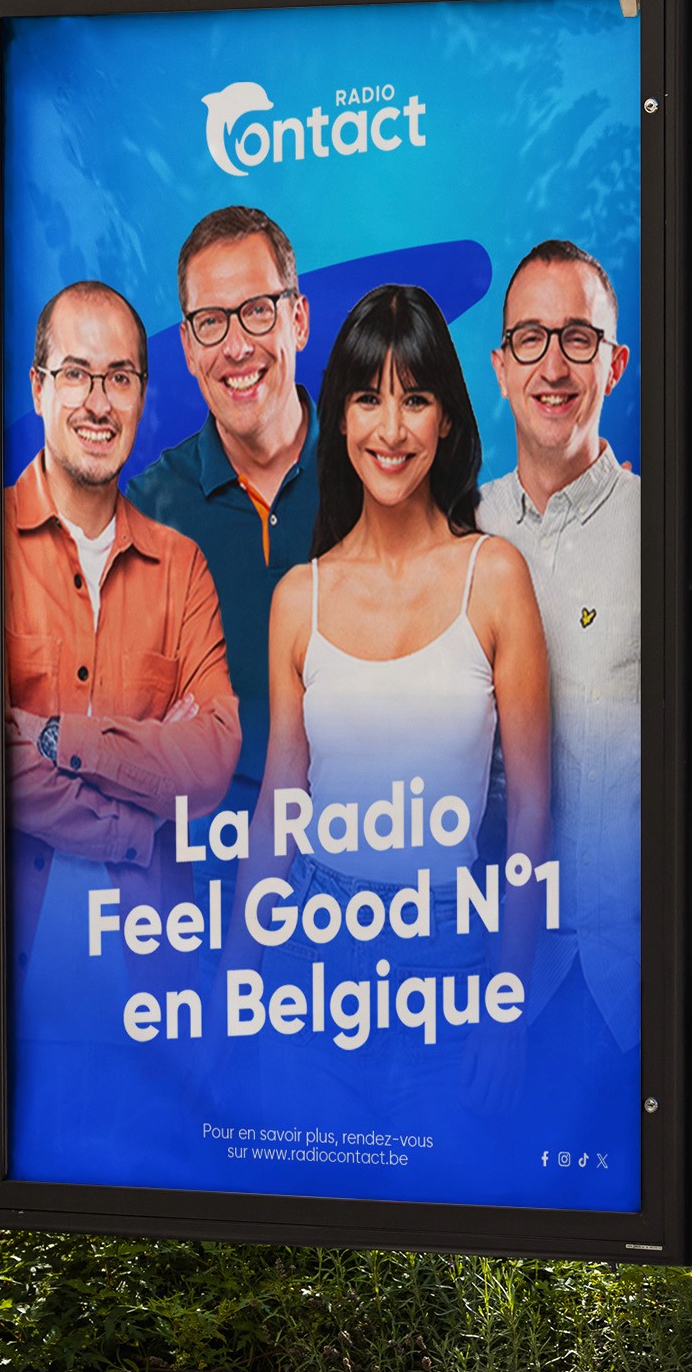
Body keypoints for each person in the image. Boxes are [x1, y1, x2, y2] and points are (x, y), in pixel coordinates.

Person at [232, 284, 551, 1101]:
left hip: (446, 947)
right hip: (309, 939)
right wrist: (235, 978)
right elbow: (279, 802)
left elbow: (531, 815)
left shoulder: (495, 578)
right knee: (297, 1206)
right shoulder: (297, 598)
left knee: (436, 1216)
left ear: (445, 418)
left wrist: (507, 1010)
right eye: (369, 398)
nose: (392, 427)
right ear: (339, 418)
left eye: (415, 398)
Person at [4, 279, 241, 1005]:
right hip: (17, 1006)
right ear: (40, 387)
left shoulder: (181, 567)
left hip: (152, 996)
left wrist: (48, 737)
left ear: (143, 394)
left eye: (120, 378)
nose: (98, 404)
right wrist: (133, 826)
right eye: (76, 375)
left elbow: (208, 764)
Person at [475, 240, 642, 1057]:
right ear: (501, 367)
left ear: (614, 364)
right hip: (472, 976)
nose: (554, 364)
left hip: (621, 987)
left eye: (578, 338)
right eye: (531, 340)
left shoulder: (662, 533)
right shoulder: (453, 533)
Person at [126, 206, 320, 814]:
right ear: (187, 347)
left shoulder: (377, 474)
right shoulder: (145, 511)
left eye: (258, 311)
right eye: (211, 322)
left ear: (299, 319)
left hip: (372, 849)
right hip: (203, 868)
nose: (236, 347)